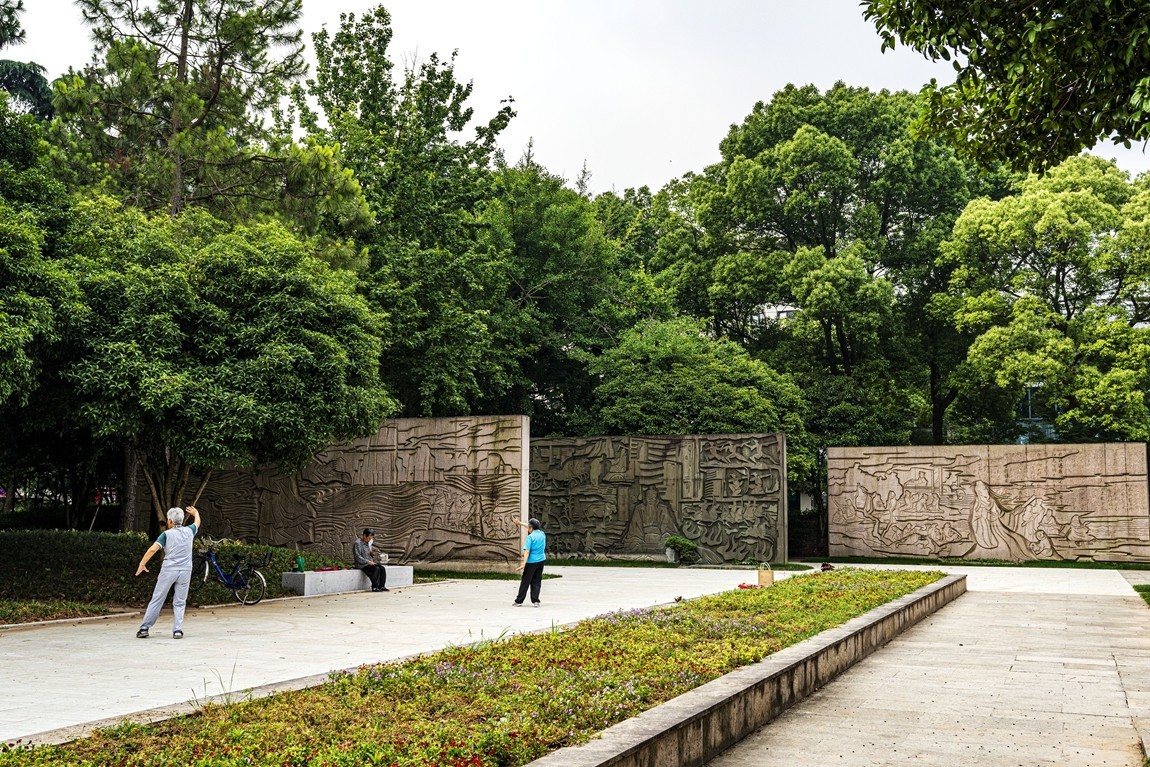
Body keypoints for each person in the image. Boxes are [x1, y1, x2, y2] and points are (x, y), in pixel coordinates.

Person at [135, 505, 201, 639]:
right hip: (185, 571)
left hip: (168, 570)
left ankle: (144, 628)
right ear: (181, 520)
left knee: (158, 598)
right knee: (180, 601)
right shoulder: (189, 531)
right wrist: (196, 513)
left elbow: (153, 549)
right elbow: (197, 523)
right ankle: (177, 630)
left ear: (170, 521)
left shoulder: (166, 534)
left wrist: (142, 563)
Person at [513, 517, 546, 607]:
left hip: (531, 562)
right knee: (536, 580)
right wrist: (520, 523)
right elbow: (530, 526)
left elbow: (527, 551)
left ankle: (519, 601)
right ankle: (536, 601)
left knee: (525, 581)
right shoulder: (542, 534)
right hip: (541, 560)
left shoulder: (530, 537)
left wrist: (523, 564)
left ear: (531, 528)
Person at [354, 528, 388, 592]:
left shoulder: (367, 543)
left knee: (382, 568)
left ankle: (382, 586)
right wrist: (368, 562)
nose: (369, 540)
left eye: (371, 538)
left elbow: (368, 554)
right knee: (376, 569)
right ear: (364, 535)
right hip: (362, 564)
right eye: (369, 538)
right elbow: (357, 556)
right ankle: (375, 587)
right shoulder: (357, 543)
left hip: (369, 563)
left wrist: (371, 553)